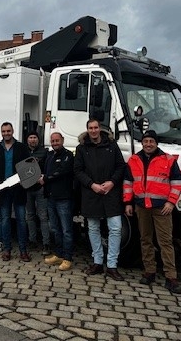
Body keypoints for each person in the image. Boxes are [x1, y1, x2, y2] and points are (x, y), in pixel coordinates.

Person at [124, 129, 181, 294]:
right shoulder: (134, 160)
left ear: (156, 143)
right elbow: (128, 183)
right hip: (141, 206)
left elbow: (177, 183)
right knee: (145, 240)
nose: (148, 144)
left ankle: (171, 277)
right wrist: (128, 203)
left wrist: (171, 203)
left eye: (151, 141)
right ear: (142, 143)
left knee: (165, 242)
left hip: (161, 207)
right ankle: (149, 271)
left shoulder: (168, 160)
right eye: (146, 141)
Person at [73, 119, 126, 281]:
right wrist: (92, 185)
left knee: (116, 228)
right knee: (93, 228)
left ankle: (112, 265)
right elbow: (78, 170)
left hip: (111, 193)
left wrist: (112, 182)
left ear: (100, 129)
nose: (94, 131)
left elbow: (121, 166)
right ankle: (97, 262)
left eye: (96, 127)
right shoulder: (82, 148)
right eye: (90, 128)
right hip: (91, 193)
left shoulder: (111, 145)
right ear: (87, 130)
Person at [0, 122, 32, 262]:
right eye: (3, 131)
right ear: (1, 132)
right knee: (5, 220)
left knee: (21, 221)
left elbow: (29, 166)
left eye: (8, 131)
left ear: (12, 131)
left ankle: (23, 250)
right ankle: (7, 249)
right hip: (2, 190)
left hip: (19, 190)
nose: (6, 133)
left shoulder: (21, 147)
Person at [43, 132, 75, 271]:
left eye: (57, 140)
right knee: (55, 229)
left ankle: (68, 258)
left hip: (64, 198)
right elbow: (44, 170)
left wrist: (45, 178)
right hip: (51, 197)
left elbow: (62, 171)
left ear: (62, 140)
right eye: (53, 141)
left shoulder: (68, 155)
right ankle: (59, 254)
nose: (55, 143)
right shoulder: (49, 155)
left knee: (66, 230)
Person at [25, 131, 50, 255]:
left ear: (38, 140)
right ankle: (32, 240)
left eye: (35, 137)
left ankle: (46, 243)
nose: (32, 140)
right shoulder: (24, 151)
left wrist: (44, 178)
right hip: (27, 188)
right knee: (30, 216)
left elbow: (47, 168)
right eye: (30, 137)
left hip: (40, 188)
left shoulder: (44, 152)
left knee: (43, 216)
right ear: (27, 139)